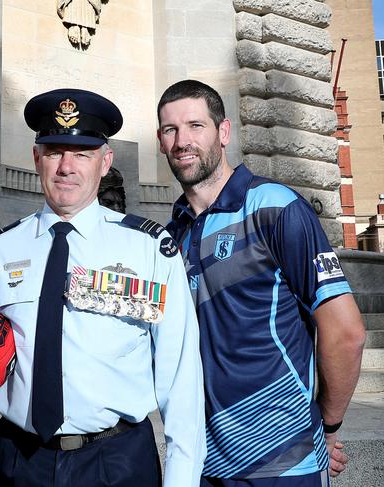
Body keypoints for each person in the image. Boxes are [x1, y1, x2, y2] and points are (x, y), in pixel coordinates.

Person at [0, 88, 206, 486]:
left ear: (105, 162)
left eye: (82, 154)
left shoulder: (149, 250)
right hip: (23, 459)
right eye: (54, 151)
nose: (66, 167)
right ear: (36, 158)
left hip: (118, 462)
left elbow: (181, 381)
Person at [156, 79, 366, 486]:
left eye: (196, 126)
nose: (183, 140)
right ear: (161, 142)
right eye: (170, 130)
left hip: (282, 465)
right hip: (202, 463)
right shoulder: (170, 237)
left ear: (224, 132)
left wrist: (327, 423)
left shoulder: (276, 208)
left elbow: (346, 333)